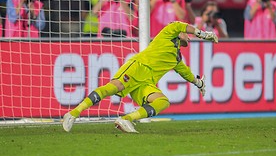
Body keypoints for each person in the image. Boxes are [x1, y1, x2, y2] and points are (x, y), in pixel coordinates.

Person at [62, 21, 218, 133]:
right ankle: (73, 114)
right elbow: (180, 25)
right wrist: (203, 34)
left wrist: (199, 83)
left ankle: (126, 119)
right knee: (112, 88)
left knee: (163, 102)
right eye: (187, 34)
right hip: (137, 68)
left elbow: (187, 74)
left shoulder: (176, 59)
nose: (189, 36)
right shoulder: (169, 33)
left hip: (146, 84)